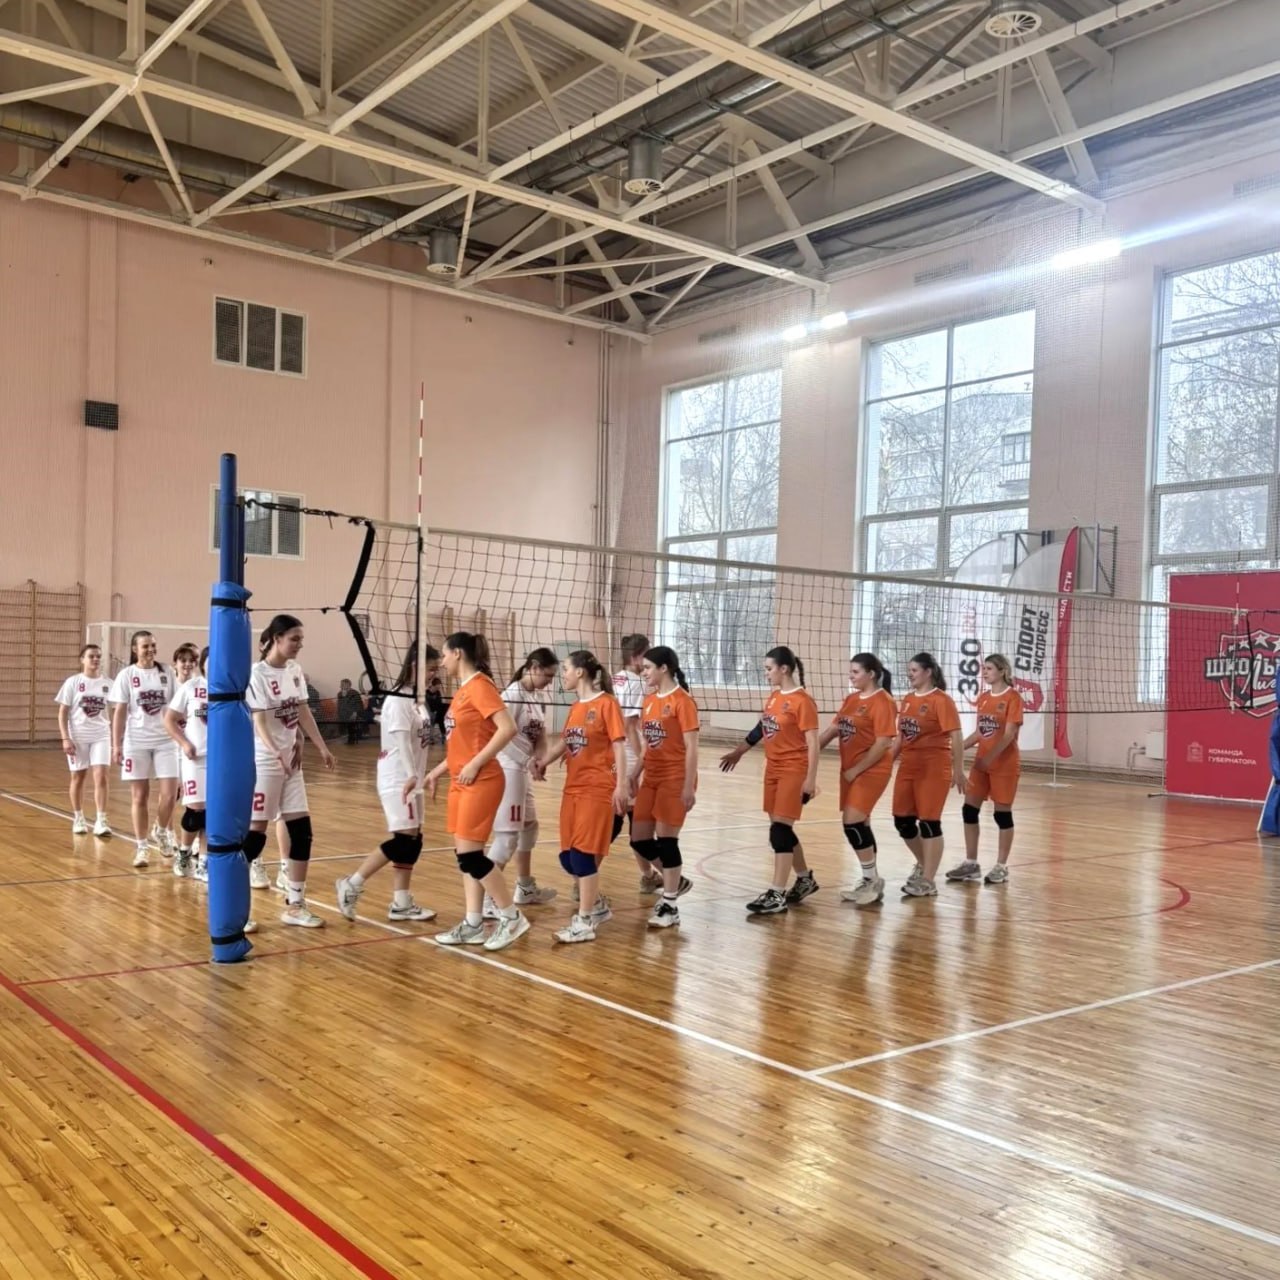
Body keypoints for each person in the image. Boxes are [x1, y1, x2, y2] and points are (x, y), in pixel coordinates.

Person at [416, 631, 529, 951]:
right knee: (465, 857)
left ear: (458, 653)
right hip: (461, 780)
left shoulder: (480, 686)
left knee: (470, 856)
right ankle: (473, 923)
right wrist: (437, 771)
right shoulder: (464, 690)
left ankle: (511, 916)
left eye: (444, 654)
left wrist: (476, 763)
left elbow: (508, 728)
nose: (442, 661)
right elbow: (462, 744)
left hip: (482, 780)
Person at [335, 645, 437, 924]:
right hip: (398, 777)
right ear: (415, 666)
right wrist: (411, 775)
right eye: (430, 669)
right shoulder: (399, 700)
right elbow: (402, 742)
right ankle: (351, 884)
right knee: (404, 839)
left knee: (413, 841)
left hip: (412, 776)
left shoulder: (417, 699)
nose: (434, 674)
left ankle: (401, 903)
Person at [245, 614, 336, 927]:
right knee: (255, 836)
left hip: (291, 762)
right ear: (277, 638)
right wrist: (275, 753)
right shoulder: (257, 674)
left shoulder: (295, 670)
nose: (299, 644)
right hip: (264, 761)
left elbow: (302, 711)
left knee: (301, 831)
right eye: (294, 639)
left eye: (301, 639)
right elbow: (259, 721)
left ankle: (295, 905)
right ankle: (235, 907)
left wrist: (320, 746)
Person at [534, 650, 628, 944]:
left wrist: (621, 785)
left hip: (597, 789)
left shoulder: (607, 704)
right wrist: (544, 761)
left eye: (565, 669)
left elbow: (619, 746)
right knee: (567, 858)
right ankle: (596, 905)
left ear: (580, 672)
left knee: (582, 856)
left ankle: (585, 921)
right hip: (572, 789)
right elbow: (566, 741)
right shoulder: (576, 707)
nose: (562, 675)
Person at [482, 647, 560, 919]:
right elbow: (499, 739)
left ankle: (525, 887)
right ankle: (487, 900)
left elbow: (540, 736)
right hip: (508, 769)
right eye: (547, 675)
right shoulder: (511, 695)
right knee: (507, 837)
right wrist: (528, 762)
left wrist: (541, 759)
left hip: (523, 769)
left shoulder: (536, 697)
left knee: (530, 825)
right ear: (534, 667)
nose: (550, 681)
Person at [816, 653, 899, 908]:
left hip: (872, 769)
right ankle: (869, 880)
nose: (850, 676)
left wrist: (857, 769)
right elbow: (833, 730)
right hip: (851, 769)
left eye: (855, 672)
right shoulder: (851, 699)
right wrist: (806, 754)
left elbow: (883, 743)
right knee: (861, 823)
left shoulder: (883, 701)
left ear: (871, 674)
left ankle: (872, 879)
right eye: (850, 672)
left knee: (851, 822)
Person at [746, 646, 820, 915]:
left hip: (793, 769)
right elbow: (763, 729)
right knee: (781, 830)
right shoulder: (775, 697)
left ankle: (776, 894)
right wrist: (740, 751)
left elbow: (813, 743)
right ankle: (804, 878)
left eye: (769, 669)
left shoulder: (803, 701)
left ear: (784, 669)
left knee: (779, 831)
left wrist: (810, 779)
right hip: (773, 769)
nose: (766, 673)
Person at [629, 645, 697, 929]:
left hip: (675, 777)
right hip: (652, 778)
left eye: (647, 668)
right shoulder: (648, 701)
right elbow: (648, 746)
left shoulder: (683, 701)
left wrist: (688, 786)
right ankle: (675, 880)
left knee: (667, 841)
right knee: (639, 840)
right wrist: (634, 774)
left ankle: (670, 905)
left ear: (663, 668)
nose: (643, 672)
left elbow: (692, 748)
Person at [892, 651, 966, 898]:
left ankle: (928, 880)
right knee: (902, 822)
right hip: (908, 766)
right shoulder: (907, 699)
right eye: (909, 670)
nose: (909, 674)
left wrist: (958, 769)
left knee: (929, 822)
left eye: (913, 670)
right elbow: (901, 737)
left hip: (934, 767)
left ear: (928, 672)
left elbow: (956, 735)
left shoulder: (941, 700)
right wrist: (884, 764)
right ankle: (924, 863)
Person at [947, 654, 1023, 886]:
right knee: (969, 811)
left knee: (1002, 815)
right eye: (984, 668)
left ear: (1002, 671)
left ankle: (1001, 866)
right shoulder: (984, 698)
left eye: (989, 668)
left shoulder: (1013, 697)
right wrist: (956, 749)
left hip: (1004, 765)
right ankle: (971, 863)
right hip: (982, 765)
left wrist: (990, 758)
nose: (985, 672)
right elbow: (981, 732)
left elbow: (1009, 734)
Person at [109, 630, 179, 868]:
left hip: (166, 740)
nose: (150, 650)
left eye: (153, 645)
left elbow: (177, 706)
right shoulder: (127, 675)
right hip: (136, 741)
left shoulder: (167, 672)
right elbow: (119, 712)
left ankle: (161, 829)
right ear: (135, 649)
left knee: (170, 794)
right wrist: (116, 744)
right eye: (145, 646)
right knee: (140, 796)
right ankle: (141, 847)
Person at [54, 644, 114, 838]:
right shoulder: (73, 682)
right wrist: (65, 738)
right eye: (91, 656)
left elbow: (116, 710)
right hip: (78, 735)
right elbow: (63, 712)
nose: (95, 659)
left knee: (101, 776)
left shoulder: (108, 683)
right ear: (82, 660)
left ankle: (101, 820)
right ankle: (78, 817)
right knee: (78, 776)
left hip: (101, 734)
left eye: (98, 656)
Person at [164, 646, 209, 880]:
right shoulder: (192, 687)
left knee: (213, 814)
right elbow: (169, 720)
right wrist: (184, 743)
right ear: (204, 664)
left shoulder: (230, 689)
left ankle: (204, 862)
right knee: (195, 812)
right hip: (195, 759)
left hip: (220, 761)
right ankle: (184, 853)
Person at [611, 633, 649, 881]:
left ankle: (647, 875)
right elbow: (629, 726)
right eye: (646, 654)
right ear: (636, 657)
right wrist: (642, 761)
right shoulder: (637, 683)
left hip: (614, 755)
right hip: (630, 757)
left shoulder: (614, 678)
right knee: (630, 820)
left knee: (633, 818)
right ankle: (583, 873)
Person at [337, 679, 363, 745]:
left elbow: (359, 704)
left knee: (351, 721)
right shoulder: (339, 694)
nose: (341, 686)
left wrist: (355, 713)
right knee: (340, 720)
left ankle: (351, 739)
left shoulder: (355, 693)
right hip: (343, 713)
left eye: (342, 685)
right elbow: (340, 705)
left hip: (353, 713)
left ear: (348, 685)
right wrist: (343, 696)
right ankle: (344, 736)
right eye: (341, 685)